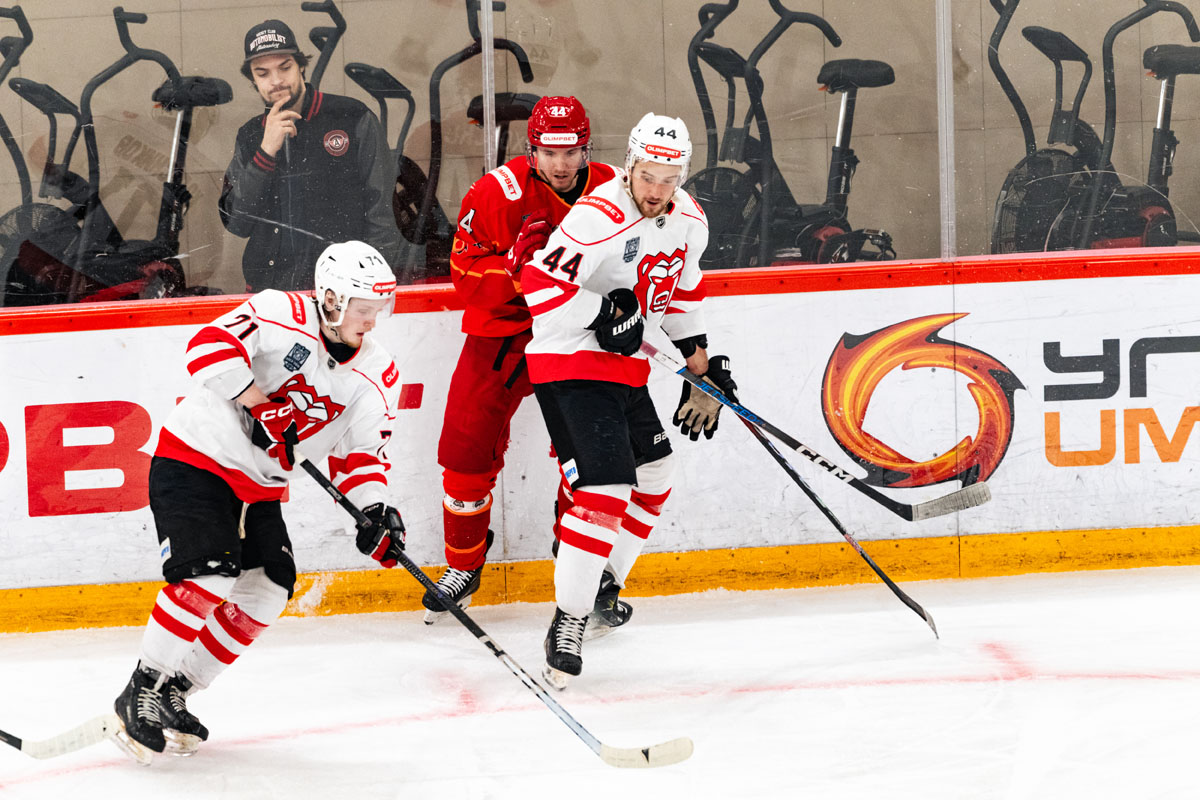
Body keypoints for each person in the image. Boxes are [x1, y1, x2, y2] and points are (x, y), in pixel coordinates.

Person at [111, 241, 407, 762]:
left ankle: (176, 689)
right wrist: (260, 403)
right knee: (209, 574)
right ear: (332, 300)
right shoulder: (277, 311)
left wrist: (374, 512)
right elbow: (205, 347)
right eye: (364, 308)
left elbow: (361, 455)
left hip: (259, 488)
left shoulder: (378, 373)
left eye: (379, 308)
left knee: (269, 588)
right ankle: (142, 686)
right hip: (196, 458)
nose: (372, 320)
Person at [521, 112, 739, 689]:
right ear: (629, 166)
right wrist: (602, 315)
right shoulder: (598, 215)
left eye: (668, 179)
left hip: (625, 368)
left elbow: (681, 295)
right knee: (607, 488)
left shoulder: (689, 220)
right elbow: (539, 286)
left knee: (657, 470)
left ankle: (602, 587)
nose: (656, 189)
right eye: (647, 176)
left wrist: (702, 368)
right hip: (568, 359)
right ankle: (567, 623)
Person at [420, 97, 620, 626]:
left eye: (571, 152)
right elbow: (463, 271)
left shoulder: (614, 189)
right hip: (505, 333)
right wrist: (513, 271)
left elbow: (641, 257)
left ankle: (580, 566)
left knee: (589, 459)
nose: (561, 164)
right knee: (465, 448)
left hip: (578, 334)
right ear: (532, 150)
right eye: (549, 153)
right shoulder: (496, 192)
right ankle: (463, 566)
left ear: (586, 148)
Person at [219, 19, 400, 292]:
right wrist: (266, 152)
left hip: (339, 289)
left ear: (301, 66)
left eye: (285, 67)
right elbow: (238, 224)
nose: (276, 81)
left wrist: (371, 285)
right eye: (263, 73)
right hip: (269, 291)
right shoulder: (250, 135)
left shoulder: (351, 117)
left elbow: (383, 214)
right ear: (253, 80)